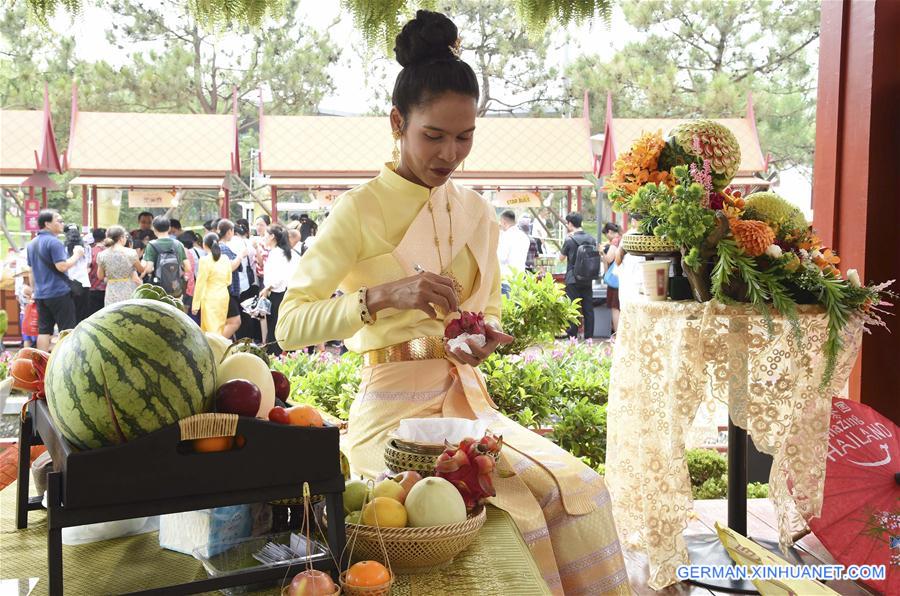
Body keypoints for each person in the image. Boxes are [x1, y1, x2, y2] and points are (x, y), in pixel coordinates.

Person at [275, 11, 628, 594]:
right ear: (397, 122)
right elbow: (289, 325)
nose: (449, 154)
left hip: (466, 405)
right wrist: (383, 296)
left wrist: (480, 337)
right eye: (433, 136)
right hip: (389, 410)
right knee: (480, 524)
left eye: (464, 137)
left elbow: (484, 310)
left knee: (580, 491)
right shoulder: (359, 210)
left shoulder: (478, 214)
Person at [26, 210, 83, 351]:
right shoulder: (54, 242)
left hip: (40, 295)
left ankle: (40, 363)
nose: (61, 223)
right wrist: (76, 255)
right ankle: (65, 363)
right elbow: (62, 266)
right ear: (47, 224)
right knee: (67, 329)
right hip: (59, 293)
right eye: (59, 220)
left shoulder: (31, 244)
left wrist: (34, 291)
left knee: (44, 330)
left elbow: (31, 271)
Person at [558, 212, 598, 341]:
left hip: (572, 278)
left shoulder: (569, 239)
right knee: (588, 309)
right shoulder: (591, 239)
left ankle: (572, 338)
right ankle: (589, 338)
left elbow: (561, 258)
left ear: (570, 224)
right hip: (587, 278)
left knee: (572, 308)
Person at [192, 233, 234, 336]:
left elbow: (200, 283)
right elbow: (229, 281)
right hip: (223, 296)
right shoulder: (225, 258)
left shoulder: (205, 260)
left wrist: (195, 305)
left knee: (211, 330)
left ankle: (215, 350)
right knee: (220, 326)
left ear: (204, 245)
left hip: (210, 298)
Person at [142, 216, 191, 297]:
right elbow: (188, 268)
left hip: (158, 288)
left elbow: (148, 269)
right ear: (169, 228)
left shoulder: (151, 245)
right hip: (175, 287)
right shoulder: (178, 244)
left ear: (154, 229)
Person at [215, 219, 248, 339]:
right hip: (227, 291)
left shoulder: (218, 247)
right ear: (229, 232)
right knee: (235, 322)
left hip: (222, 290)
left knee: (226, 322)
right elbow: (230, 267)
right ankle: (217, 344)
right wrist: (240, 256)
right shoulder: (223, 248)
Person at [96, 226, 145, 306]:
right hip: (128, 289)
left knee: (112, 315)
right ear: (121, 238)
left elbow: (100, 276)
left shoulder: (102, 255)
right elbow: (141, 270)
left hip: (111, 291)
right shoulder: (131, 253)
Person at [496, 209, 530, 296]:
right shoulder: (524, 237)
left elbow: (501, 257)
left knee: (505, 308)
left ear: (504, 222)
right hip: (520, 279)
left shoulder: (506, 236)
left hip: (506, 280)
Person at [64, 225, 92, 323]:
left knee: (70, 313)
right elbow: (88, 263)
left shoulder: (64, 247)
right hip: (84, 282)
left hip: (69, 284)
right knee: (83, 314)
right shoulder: (86, 247)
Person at [87, 228, 107, 316]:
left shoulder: (90, 251)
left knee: (94, 316)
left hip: (92, 288)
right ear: (105, 237)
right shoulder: (108, 252)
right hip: (107, 288)